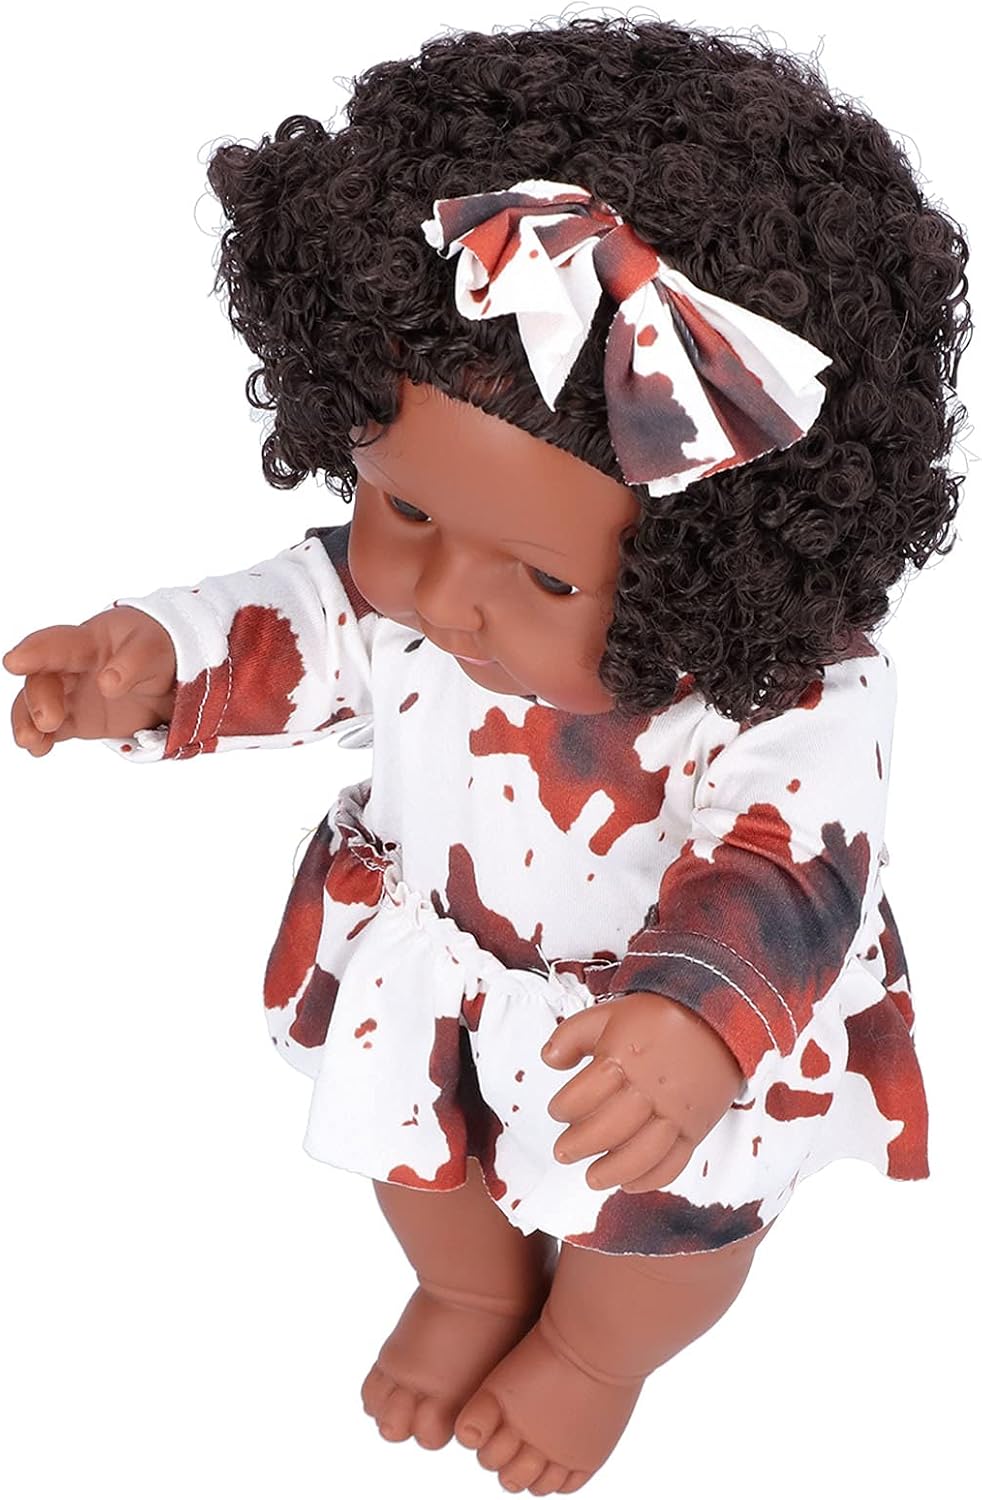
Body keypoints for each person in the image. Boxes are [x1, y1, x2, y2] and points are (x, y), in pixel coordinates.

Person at [2, 14, 970, 1495]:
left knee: (658, 1234)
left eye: (543, 577)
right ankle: (467, 1288)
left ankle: (591, 1355)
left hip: (643, 1032)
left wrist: (699, 1021)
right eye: (404, 509)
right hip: (437, 963)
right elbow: (309, 617)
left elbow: (793, 861)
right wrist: (160, 664)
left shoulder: (787, 693)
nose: (443, 599)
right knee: (417, 1153)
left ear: (712, 570)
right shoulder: (408, 600)